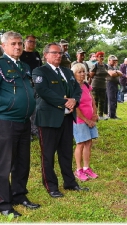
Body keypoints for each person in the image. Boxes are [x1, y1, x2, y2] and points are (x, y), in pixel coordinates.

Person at [33, 42, 88, 198]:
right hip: (49, 119)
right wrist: (65, 102)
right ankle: (51, 186)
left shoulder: (67, 71)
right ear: (46, 55)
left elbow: (77, 89)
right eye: (55, 53)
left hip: (66, 118)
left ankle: (70, 183)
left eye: (60, 53)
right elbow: (43, 91)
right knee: (48, 154)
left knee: (66, 153)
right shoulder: (39, 71)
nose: (58, 55)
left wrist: (74, 100)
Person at [0, 31, 39, 218]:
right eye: (14, 43)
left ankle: (19, 194)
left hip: (24, 121)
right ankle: (4, 204)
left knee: (22, 162)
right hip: (6, 121)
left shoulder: (24, 66)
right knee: (4, 164)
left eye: (20, 44)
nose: (18, 47)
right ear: (3, 45)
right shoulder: (0, 65)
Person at [71, 63, 99, 181]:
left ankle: (86, 167)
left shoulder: (86, 85)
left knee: (89, 143)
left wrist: (94, 114)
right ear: (74, 74)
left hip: (90, 119)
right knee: (81, 143)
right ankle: (78, 170)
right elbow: (75, 107)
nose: (83, 74)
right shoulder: (73, 88)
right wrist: (86, 120)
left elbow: (92, 100)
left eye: (84, 71)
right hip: (80, 121)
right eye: (79, 72)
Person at [20, 34, 43, 141]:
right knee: (25, 108)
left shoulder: (36, 54)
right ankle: (26, 132)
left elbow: (41, 68)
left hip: (37, 85)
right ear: (25, 42)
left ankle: (34, 129)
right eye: (30, 41)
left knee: (35, 108)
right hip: (25, 84)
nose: (32, 44)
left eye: (34, 42)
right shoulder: (21, 54)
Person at [90, 51, 109, 120]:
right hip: (95, 85)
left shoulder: (105, 66)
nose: (102, 57)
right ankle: (94, 115)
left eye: (103, 56)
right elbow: (91, 75)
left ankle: (101, 115)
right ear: (97, 57)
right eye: (100, 56)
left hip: (103, 85)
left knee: (102, 101)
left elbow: (107, 74)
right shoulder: (95, 65)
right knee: (95, 101)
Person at [106, 55, 122, 119]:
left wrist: (116, 72)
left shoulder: (114, 67)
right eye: (113, 60)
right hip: (110, 84)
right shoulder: (107, 66)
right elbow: (111, 74)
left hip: (115, 84)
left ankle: (114, 114)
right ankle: (111, 115)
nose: (115, 62)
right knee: (111, 99)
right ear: (109, 60)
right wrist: (116, 72)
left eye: (115, 61)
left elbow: (121, 73)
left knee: (115, 100)